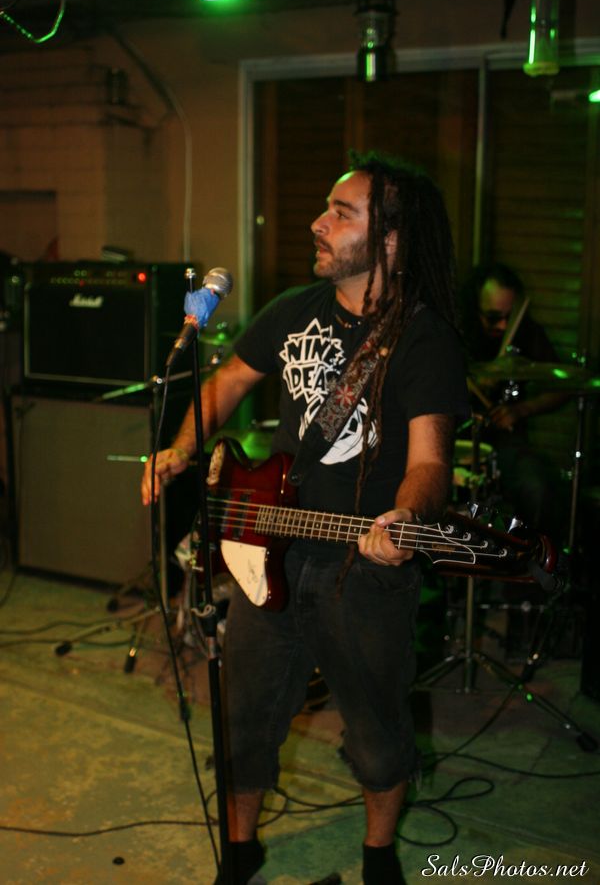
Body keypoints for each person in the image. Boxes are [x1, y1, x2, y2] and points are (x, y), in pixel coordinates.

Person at [142, 150, 470, 885]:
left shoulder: (423, 339)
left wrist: (404, 516)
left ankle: (378, 856)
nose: (318, 223)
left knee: (377, 730)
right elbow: (228, 381)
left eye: (341, 213)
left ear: (389, 240)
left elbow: (430, 464)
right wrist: (181, 449)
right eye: (325, 208)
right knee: (246, 715)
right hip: (268, 547)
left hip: (362, 564)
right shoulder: (293, 309)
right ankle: (240, 849)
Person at [460, 262, 568, 541]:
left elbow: (562, 387)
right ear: (475, 306)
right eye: (493, 317)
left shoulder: (526, 331)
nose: (504, 325)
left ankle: (528, 558)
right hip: (457, 441)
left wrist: (520, 410)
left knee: (538, 488)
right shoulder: (457, 330)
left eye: (509, 316)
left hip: (507, 443)